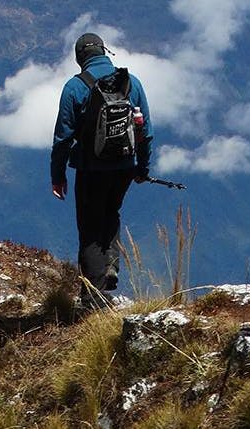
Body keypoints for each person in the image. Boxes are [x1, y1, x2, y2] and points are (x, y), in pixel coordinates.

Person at [51, 32, 153, 306]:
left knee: (90, 227)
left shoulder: (74, 87)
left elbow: (63, 139)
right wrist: (142, 168)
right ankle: (110, 266)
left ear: (79, 58)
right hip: (124, 168)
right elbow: (147, 132)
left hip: (90, 168)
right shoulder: (132, 83)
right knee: (111, 213)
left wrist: (57, 176)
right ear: (104, 52)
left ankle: (92, 298)